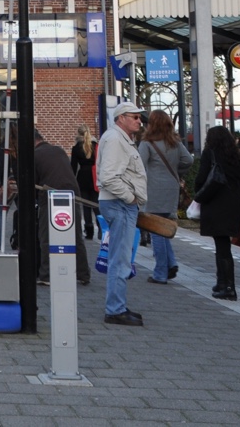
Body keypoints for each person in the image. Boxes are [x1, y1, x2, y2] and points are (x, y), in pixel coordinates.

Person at [97, 102, 148, 326]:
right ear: (121, 118)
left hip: (119, 203)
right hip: (119, 203)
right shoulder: (116, 140)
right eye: (134, 117)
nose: (139, 121)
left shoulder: (119, 139)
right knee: (120, 258)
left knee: (121, 256)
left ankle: (117, 306)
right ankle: (115, 309)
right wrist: (130, 198)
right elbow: (108, 177)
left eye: (140, 117)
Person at [138, 110, 193, 284]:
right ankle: (171, 263)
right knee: (163, 228)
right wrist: (176, 172)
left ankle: (160, 272)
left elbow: (139, 165)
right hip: (171, 189)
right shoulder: (175, 142)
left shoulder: (147, 143)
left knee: (156, 231)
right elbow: (189, 161)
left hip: (153, 190)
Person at [195, 125, 240, 300]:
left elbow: (201, 179)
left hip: (217, 204)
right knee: (224, 245)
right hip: (234, 203)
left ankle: (228, 286)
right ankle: (222, 282)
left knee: (222, 246)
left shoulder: (210, 154)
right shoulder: (237, 157)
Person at [33, 130, 90, 285]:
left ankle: (47, 275)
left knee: (46, 234)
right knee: (76, 233)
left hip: (50, 194)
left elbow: (34, 182)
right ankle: (82, 273)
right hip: (72, 193)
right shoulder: (58, 150)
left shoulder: (35, 155)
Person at [70, 124, 99, 240]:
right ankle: (102, 229)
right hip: (94, 177)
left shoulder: (76, 148)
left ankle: (89, 231)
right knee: (96, 204)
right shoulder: (95, 145)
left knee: (86, 205)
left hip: (82, 177)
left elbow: (73, 166)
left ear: (78, 134)